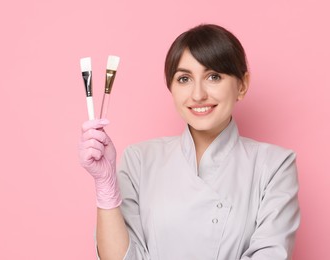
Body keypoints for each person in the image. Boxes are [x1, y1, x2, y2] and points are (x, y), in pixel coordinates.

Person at [78, 24, 300, 260]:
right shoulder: (139, 159)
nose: (197, 95)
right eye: (184, 79)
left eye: (213, 76)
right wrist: (106, 186)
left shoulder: (275, 165)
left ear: (242, 85)